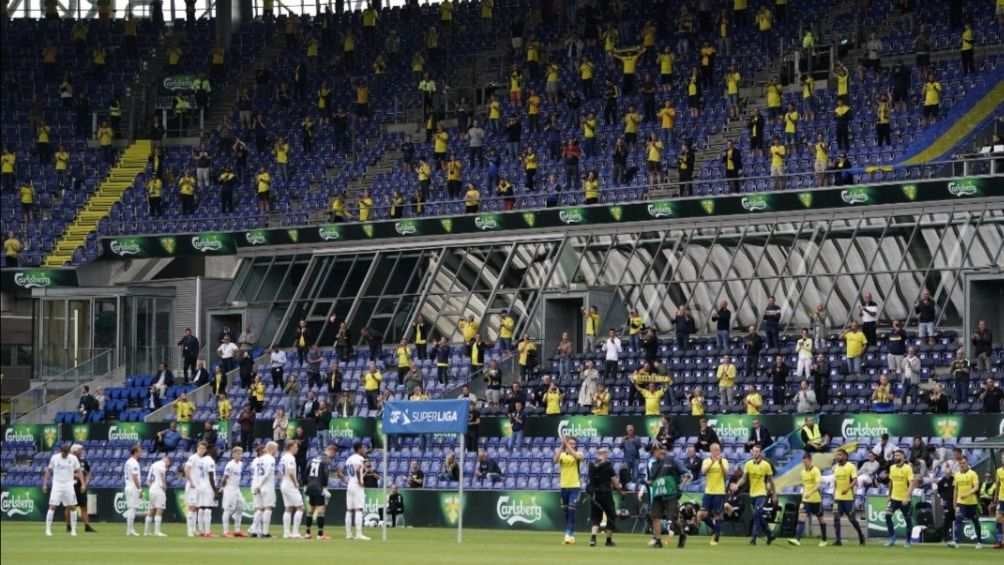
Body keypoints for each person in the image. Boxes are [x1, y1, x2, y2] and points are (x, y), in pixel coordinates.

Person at [733, 445, 776, 544]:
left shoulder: (766, 465)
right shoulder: (748, 464)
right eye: (754, 451)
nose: (755, 453)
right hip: (752, 494)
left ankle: (754, 538)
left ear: (760, 453)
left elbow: (770, 481)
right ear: (751, 452)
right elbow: (744, 478)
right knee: (758, 515)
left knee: (757, 513)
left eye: (757, 452)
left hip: (762, 493)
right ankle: (769, 534)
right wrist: (737, 485)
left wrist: (773, 493)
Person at [787, 452, 828, 547]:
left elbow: (818, 485)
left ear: (810, 460)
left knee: (820, 519)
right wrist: (804, 496)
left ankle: (824, 539)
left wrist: (810, 493)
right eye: (803, 462)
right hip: (806, 500)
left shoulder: (816, 470)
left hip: (816, 500)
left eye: (806, 462)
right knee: (801, 518)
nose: (804, 464)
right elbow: (804, 486)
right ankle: (797, 539)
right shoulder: (803, 472)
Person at [44, 444, 82, 537]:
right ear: (61, 451)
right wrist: (45, 483)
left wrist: (83, 483)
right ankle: (48, 529)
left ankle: (73, 530)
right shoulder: (54, 458)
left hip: (69, 484)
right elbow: (48, 470)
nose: (64, 454)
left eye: (66, 452)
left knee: (73, 507)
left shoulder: (73, 459)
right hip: (57, 484)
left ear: (68, 451)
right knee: (52, 506)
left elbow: (79, 471)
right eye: (63, 452)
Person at [831, 448, 866, 545]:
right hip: (837, 498)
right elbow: (835, 482)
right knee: (836, 518)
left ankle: (861, 535)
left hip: (848, 498)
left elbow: (855, 480)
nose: (838, 457)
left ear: (845, 456)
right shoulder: (835, 468)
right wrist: (833, 494)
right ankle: (838, 540)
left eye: (840, 455)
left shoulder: (851, 466)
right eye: (837, 455)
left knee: (852, 519)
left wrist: (847, 488)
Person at [947, 457, 982, 548]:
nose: (962, 465)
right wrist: (954, 502)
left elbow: (976, 487)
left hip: (972, 503)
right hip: (961, 502)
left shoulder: (973, 474)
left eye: (963, 463)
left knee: (975, 521)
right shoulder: (957, 475)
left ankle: (979, 542)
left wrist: (967, 494)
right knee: (958, 519)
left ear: (967, 464)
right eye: (960, 464)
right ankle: (956, 542)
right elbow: (955, 489)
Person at [555, 436, 584, 544]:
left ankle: (567, 534)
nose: (572, 445)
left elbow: (576, 456)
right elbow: (555, 460)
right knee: (567, 513)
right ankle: (571, 535)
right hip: (563, 486)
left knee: (571, 511)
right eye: (570, 443)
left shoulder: (579, 454)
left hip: (574, 486)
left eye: (573, 443)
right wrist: (562, 445)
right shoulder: (562, 455)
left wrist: (566, 443)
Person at [698, 443, 729, 545]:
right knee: (702, 515)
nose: (717, 452)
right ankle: (716, 529)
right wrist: (712, 461)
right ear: (711, 451)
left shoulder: (724, 461)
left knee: (718, 515)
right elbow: (703, 471)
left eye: (718, 450)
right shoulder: (707, 461)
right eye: (715, 450)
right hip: (709, 491)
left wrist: (720, 463)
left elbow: (726, 474)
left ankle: (716, 538)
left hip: (719, 491)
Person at [885, 449, 916, 547]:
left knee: (908, 520)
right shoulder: (892, 468)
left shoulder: (908, 468)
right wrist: (889, 495)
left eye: (898, 455)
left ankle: (908, 541)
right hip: (894, 498)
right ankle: (892, 538)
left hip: (904, 499)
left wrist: (907, 497)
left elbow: (912, 483)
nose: (896, 457)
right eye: (895, 455)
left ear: (903, 457)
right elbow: (891, 482)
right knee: (887, 516)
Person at [250, 442, 277, 539]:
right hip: (266, 485)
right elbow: (268, 473)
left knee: (259, 509)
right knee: (268, 508)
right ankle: (265, 532)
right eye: (276, 449)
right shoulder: (271, 459)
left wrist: (257, 485)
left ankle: (254, 530)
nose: (276, 451)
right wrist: (261, 484)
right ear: (272, 449)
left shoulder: (259, 459)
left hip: (257, 485)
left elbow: (255, 474)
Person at [344, 442, 369, 540]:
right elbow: (359, 470)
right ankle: (359, 534)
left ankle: (349, 534)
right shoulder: (360, 459)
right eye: (363, 448)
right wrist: (360, 481)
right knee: (359, 509)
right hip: (357, 485)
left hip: (350, 484)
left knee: (349, 510)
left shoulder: (349, 459)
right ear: (359, 449)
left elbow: (343, 472)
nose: (364, 450)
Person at [278, 442, 304, 539]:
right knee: (300, 507)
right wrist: (295, 482)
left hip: (283, 483)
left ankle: (286, 533)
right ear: (291, 447)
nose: (297, 448)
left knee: (288, 508)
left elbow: (279, 472)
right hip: (290, 484)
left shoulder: (283, 457)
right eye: (296, 447)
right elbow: (290, 471)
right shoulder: (290, 457)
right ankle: (295, 532)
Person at [219, 446, 245, 537]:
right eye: (238, 453)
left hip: (237, 488)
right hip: (229, 488)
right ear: (233, 454)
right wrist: (222, 487)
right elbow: (225, 477)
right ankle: (225, 531)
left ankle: (237, 530)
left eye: (241, 453)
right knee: (227, 509)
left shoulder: (241, 464)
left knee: (241, 506)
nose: (240, 455)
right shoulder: (230, 465)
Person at [143, 451, 169, 536]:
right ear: (166, 460)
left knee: (151, 509)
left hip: (152, 489)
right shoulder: (162, 465)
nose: (168, 465)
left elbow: (148, 480)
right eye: (168, 462)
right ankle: (157, 532)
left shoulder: (153, 465)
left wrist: (152, 486)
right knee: (159, 509)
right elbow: (162, 474)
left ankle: (146, 532)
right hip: (159, 489)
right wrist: (164, 485)